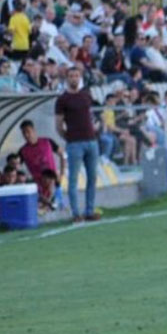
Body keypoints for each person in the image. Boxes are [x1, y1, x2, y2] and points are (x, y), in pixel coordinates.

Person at [55, 66, 101, 222]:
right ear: (67, 78)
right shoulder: (63, 99)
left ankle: (89, 210)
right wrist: (67, 137)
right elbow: (59, 124)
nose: (74, 78)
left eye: (76, 75)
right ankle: (76, 213)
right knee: (73, 179)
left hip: (91, 140)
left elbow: (90, 114)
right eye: (71, 76)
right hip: (75, 143)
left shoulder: (86, 95)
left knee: (92, 177)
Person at [17, 120, 64, 210]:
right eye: (24, 133)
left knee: (58, 207)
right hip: (38, 185)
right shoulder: (23, 151)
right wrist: (24, 178)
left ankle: (54, 204)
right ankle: (47, 205)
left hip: (53, 181)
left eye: (28, 131)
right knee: (43, 208)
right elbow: (16, 167)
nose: (26, 135)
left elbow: (62, 154)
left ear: (33, 130)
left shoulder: (47, 142)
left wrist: (61, 174)